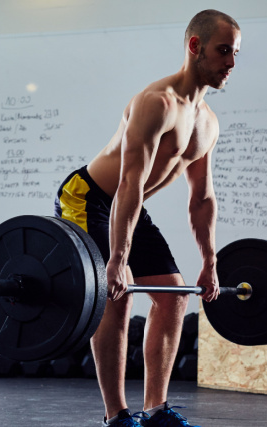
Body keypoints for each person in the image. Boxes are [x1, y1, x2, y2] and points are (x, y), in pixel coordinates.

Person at [54, 9, 240, 427]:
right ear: (195, 47)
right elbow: (129, 184)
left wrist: (210, 261)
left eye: (236, 53)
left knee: (174, 295)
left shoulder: (207, 123)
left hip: (128, 205)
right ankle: (116, 415)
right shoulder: (155, 103)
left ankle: (155, 410)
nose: (231, 63)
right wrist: (117, 260)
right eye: (223, 51)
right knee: (116, 297)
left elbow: (202, 198)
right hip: (90, 196)